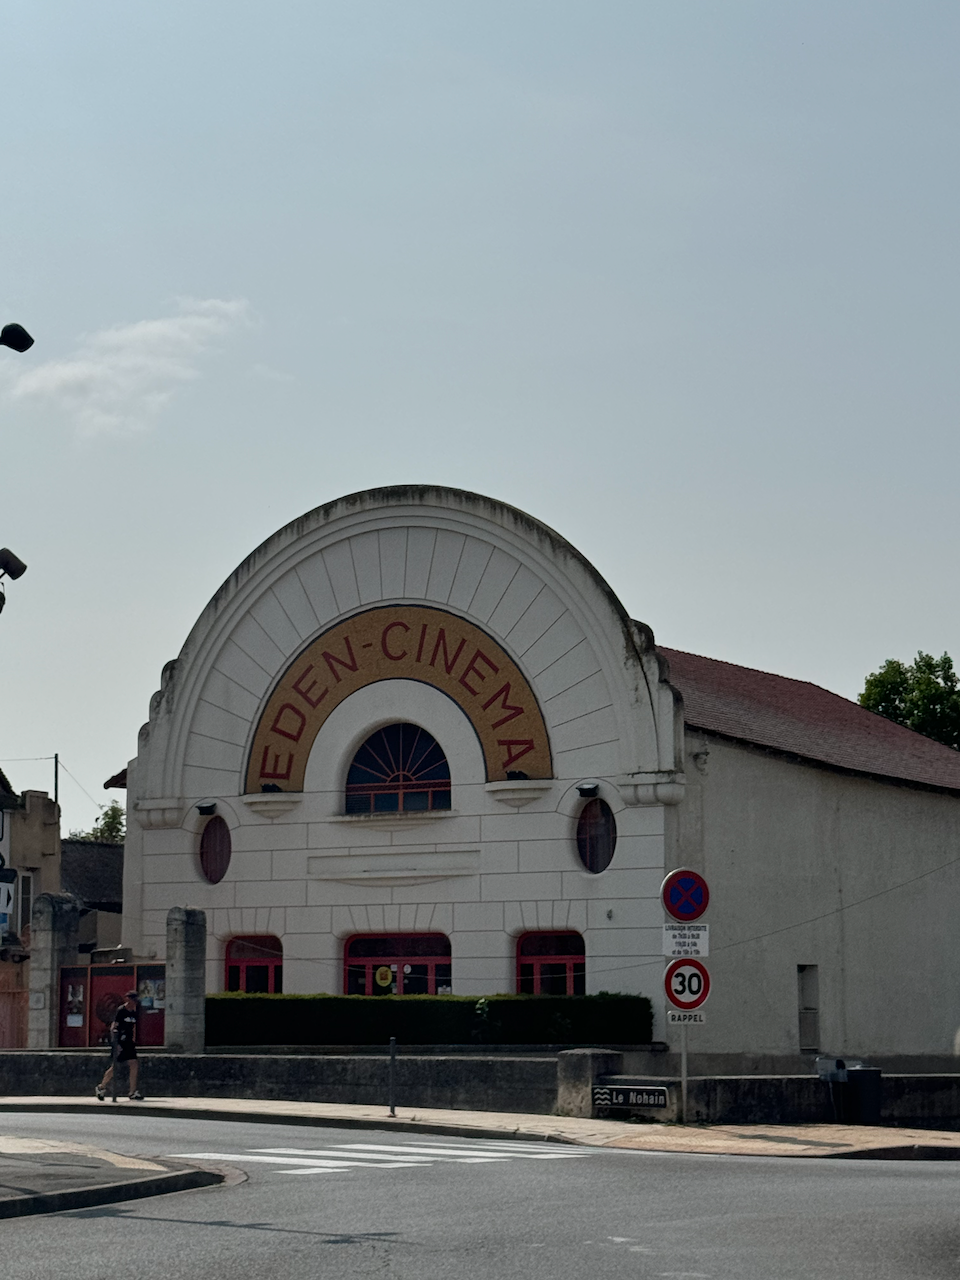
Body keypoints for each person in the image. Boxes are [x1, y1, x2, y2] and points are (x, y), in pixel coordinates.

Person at [95, 991, 144, 1101]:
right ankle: (101, 1087)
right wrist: (115, 1044)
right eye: (134, 1000)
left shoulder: (134, 1012)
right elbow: (113, 1027)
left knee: (134, 1063)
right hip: (120, 1042)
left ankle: (132, 1092)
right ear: (128, 1000)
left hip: (129, 1042)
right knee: (115, 1066)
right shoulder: (121, 1011)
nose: (135, 1002)